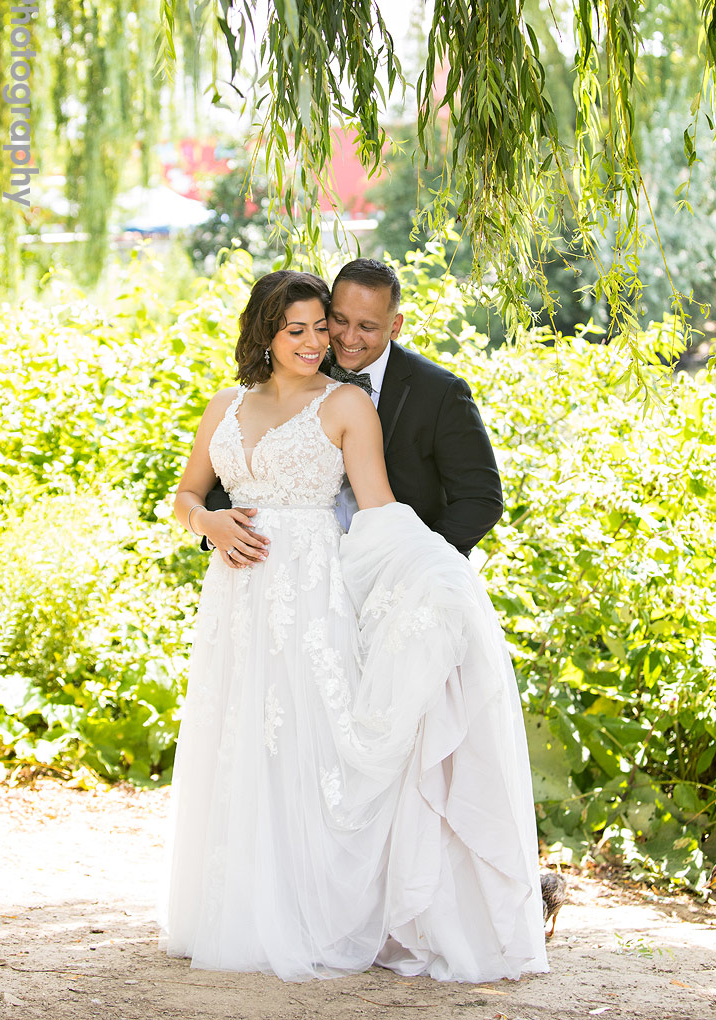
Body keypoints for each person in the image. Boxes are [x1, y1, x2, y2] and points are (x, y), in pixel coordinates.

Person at [158, 269, 547, 983]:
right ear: (266, 333)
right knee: (236, 742)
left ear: (392, 325)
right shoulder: (224, 404)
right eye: (301, 328)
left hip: (315, 594)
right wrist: (207, 523)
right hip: (235, 597)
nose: (321, 340)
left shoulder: (349, 404)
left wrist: (433, 584)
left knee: (314, 747)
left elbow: (381, 511)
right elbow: (186, 493)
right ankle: (239, 908)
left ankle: (322, 912)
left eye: (325, 327)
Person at [202, 257, 503, 559]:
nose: (348, 338)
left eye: (367, 327)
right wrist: (221, 527)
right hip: (291, 562)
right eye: (339, 320)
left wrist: (418, 563)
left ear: (395, 326)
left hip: (390, 563)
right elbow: (237, 467)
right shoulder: (300, 365)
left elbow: (480, 499)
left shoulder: (440, 393)